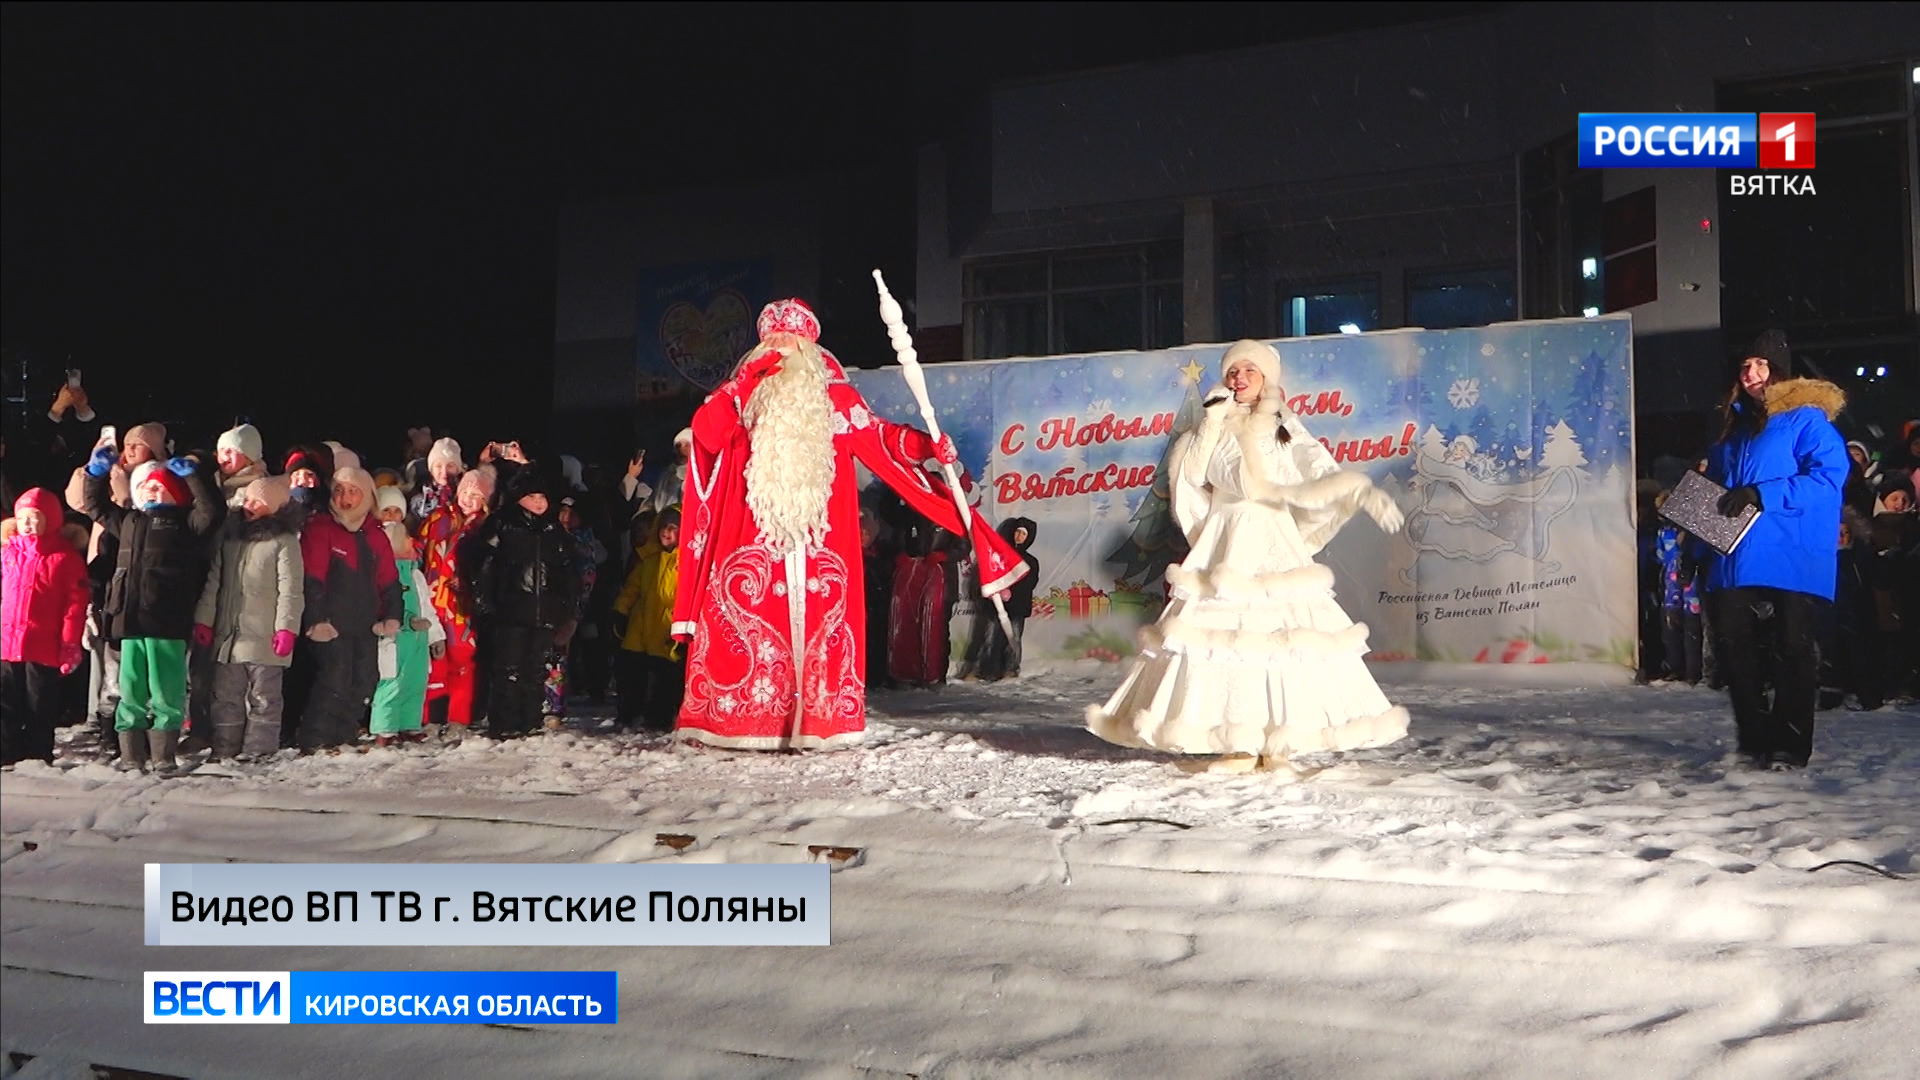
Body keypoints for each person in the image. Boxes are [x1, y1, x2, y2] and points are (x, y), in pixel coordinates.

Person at [671, 298, 1028, 750]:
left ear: (809, 351)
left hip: (820, 543)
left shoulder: (835, 400)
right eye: (772, 341)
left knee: (820, 628)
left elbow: (879, 438)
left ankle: (815, 722)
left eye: (790, 341)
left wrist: (925, 445)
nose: (780, 349)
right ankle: (743, 722)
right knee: (748, 624)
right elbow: (706, 434)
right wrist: (742, 384)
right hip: (752, 539)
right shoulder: (742, 397)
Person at [1087, 339, 1408, 773]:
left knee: (1281, 637)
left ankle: (1279, 743)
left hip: (1273, 536)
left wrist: (1359, 491)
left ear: (1266, 378)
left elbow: (1319, 470)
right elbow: (1193, 474)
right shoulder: (1214, 423)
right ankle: (1236, 743)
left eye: (1249, 370)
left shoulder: (1284, 424)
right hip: (1228, 537)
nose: (1239, 378)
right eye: (1233, 371)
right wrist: (1210, 422)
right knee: (1226, 640)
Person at [1702, 330, 1847, 770]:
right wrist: (1695, 537)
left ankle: (1789, 745)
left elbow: (1828, 478)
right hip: (1735, 555)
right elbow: (1719, 495)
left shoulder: (1806, 419)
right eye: (1745, 365)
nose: (1751, 373)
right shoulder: (1733, 429)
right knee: (1733, 649)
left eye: (1761, 364)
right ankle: (1754, 739)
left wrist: (1761, 494)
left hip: (1792, 551)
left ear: (1780, 369)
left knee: (1793, 649)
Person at [81, 444, 223, 773]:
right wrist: (95, 475)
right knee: (130, 689)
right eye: (146, 487)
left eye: (159, 487)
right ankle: (131, 754)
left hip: (166, 622)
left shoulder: (187, 524)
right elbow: (95, 506)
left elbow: (212, 511)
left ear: (177, 495)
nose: (150, 491)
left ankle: (163, 754)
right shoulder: (129, 520)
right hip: (129, 621)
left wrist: (194, 477)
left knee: (165, 690)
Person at [192, 476, 304, 759]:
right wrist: (205, 619)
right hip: (229, 637)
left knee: (264, 697)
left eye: (258, 501)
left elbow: (290, 589)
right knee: (225, 696)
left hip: (265, 638)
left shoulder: (284, 542)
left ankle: (258, 749)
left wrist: (286, 628)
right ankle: (225, 747)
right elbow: (214, 583)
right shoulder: (232, 540)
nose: (249, 505)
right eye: (248, 499)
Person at [465, 467, 577, 739]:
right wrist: (485, 603)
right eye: (531, 497)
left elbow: (568, 572)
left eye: (542, 497)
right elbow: (483, 566)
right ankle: (504, 722)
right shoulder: (502, 524)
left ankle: (530, 719)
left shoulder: (554, 530)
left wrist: (567, 609)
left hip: (545, 612)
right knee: (508, 668)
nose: (538, 503)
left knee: (536, 669)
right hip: (510, 611)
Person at [297, 466, 401, 751]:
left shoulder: (375, 535)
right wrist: (317, 619)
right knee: (335, 678)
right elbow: (312, 579)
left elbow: (389, 580)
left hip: (365, 623)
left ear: (367, 495)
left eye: (353, 491)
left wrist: (392, 614)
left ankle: (345, 734)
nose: (345, 498)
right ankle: (316, 738)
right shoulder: (321, 529)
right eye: (339, 490)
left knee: (365, 679)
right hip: (331, 623)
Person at [1, 488, 91, 765]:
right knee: (6, 701)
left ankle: (37, 753)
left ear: (50, 520)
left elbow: (75, 604)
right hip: (7, 643)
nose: (27, 524)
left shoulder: (64, 557)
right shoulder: (8, 553)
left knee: (39, 702)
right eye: (22, 518)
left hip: (43, 645)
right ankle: (6, 752)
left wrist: (69, 642)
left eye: (34, 517)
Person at [370, 487, 440, 746]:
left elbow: (427, 606)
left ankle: (409, 724)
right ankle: (385, 727)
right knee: (391, 683)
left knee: (415, 682)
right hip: (394, 639)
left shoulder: (415, 574)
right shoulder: (381, 572)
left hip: (418, 642)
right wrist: (407, 619)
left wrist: (436, 636)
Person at [612, 505, 683, 731]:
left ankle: (659, 718)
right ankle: (628, 713)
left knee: (666, 680)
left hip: (667, 629)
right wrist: (621, 610)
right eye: (663, 527)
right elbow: (632, 589)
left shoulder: (686, 563)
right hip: (640, 628)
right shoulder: (649, 559)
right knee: (632, 675)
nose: (666, 532)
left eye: (673, 527)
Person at [975, 517, 1039, 681]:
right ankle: (982, 670)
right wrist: (997, 590)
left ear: (1029, 538)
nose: (1019, 536)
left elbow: (1029, 583)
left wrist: (1011, 591)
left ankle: (1011, 669)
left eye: (1023, 534)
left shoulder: (1031, 561)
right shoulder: (1000, 555)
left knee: (1013, 638)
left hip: (1017, 607)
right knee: (989, 637)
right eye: (1017, 532)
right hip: (995, 605)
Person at [1651, 496, 1706, 685]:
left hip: (1691, 580)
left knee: (1692, 626)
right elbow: (1659, 556)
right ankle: (1676, 667)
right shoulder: (1664, 532)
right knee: (1671, 624)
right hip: (1672, 584)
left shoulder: (1694, 531)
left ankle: (1693, 671)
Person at [213, 423, 267, 509]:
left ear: (249, 458)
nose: (225, 452)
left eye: (233, 449)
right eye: (221, 448)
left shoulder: (253, 485)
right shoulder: (214, 474)